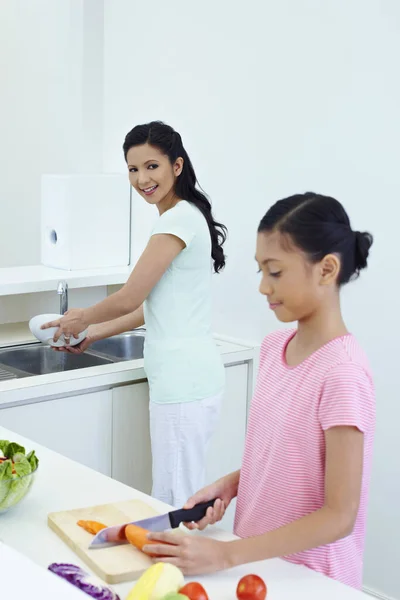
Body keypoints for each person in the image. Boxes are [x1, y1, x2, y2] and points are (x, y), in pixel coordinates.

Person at [143, 192, 376, 591]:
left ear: (327, 269)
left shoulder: (343, 375)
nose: (263, 287)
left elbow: (340, 514)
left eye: (275, 272)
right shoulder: (273, 349)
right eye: (260, 272)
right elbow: (287, 455)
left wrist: (226, 554)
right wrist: (234, 484)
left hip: (311, 581)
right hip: (256, 566)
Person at [42, 121, 227, 508]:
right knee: (178, 496)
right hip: (188, 379)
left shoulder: (176, 220)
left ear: (177, 166)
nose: (142, 178)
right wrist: (93, 333)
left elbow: (130, 297)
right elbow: (150, 308)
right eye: (133, 169)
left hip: (182, 382)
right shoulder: (183, 215)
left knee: (173, 504)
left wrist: (82, 318)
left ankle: (174, 568)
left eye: (152, 166)